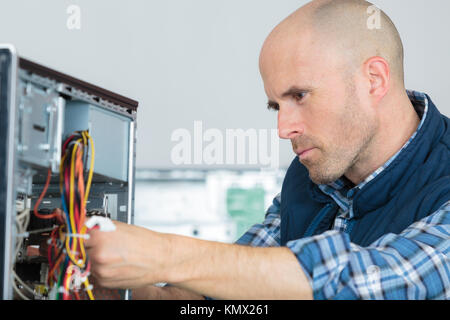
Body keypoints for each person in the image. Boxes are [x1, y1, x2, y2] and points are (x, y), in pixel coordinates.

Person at [84, 0, 450, 300]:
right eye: (277, 106)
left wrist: (163, 255)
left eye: (299, 96)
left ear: (374, 80)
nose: (283, 129)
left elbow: (364, 285)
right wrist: (135, 291)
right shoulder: (310, 179)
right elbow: (227, 295)